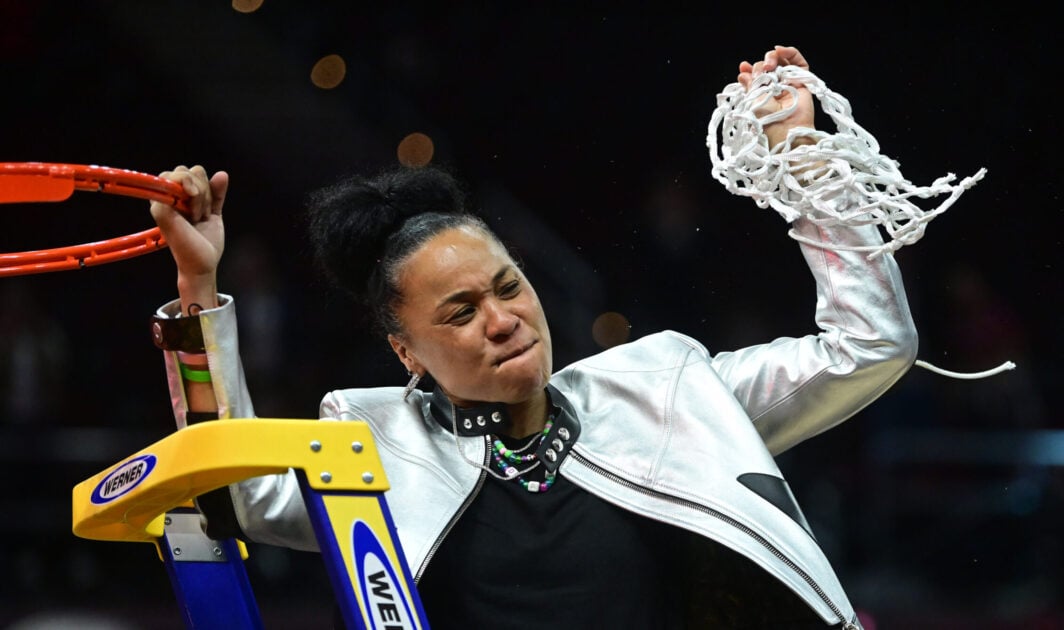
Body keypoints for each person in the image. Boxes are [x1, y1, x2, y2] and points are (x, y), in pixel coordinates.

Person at [147, 46, 916, 629]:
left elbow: (869, 344)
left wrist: (809, 163)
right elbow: (231, 492)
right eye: (459, 312)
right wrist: (197, 285)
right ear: (405, 352)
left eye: (509, 286)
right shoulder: (367, 449)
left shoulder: (666, 387)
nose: (503, 318)